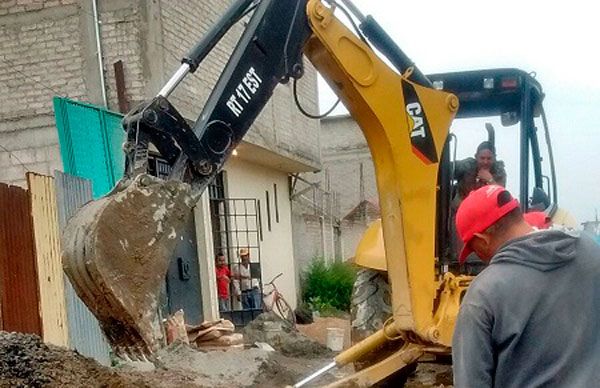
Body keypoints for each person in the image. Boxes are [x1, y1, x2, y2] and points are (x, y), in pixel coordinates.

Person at [452, 185, 600, 387]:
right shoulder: (591, 251)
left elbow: (471, 382)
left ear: (482, 239)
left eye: (473, 248)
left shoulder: (484, 293)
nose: (476, 255)